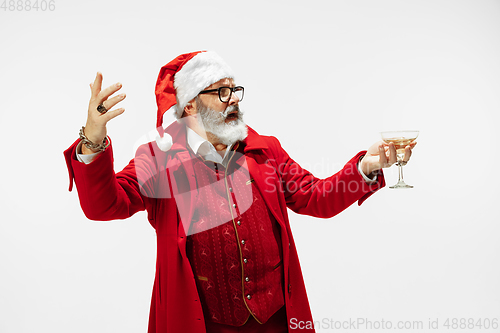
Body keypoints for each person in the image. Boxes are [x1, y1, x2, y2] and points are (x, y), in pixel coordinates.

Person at [64, 51, 415, 333]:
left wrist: (366, 167)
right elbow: (105, 205)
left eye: (234, 90)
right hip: (202, 324)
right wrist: (92, 140)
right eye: (220, 92)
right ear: (189, 106)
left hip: (277, 320)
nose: (232, 99)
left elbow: (316, 198)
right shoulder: (159, 160)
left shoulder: (266, 150)